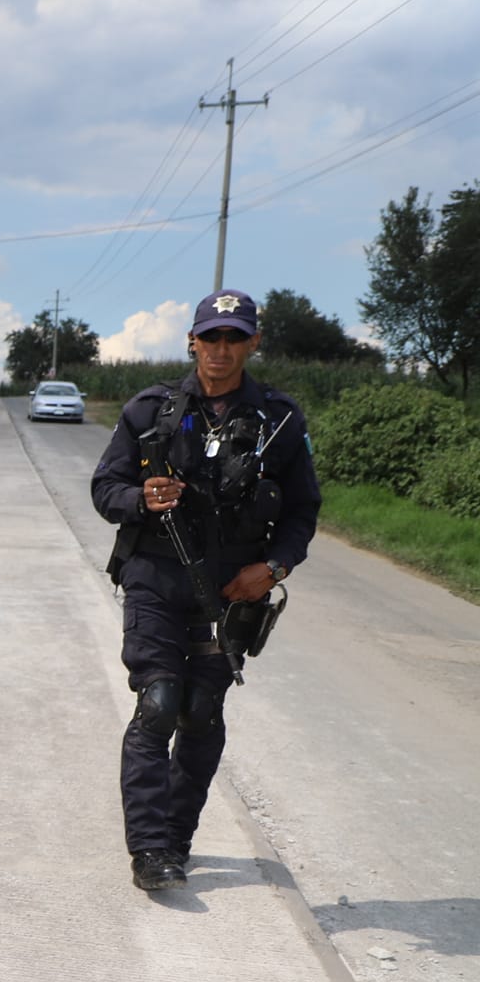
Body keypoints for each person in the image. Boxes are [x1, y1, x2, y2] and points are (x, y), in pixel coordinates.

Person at [91, 288, 320, 892]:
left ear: (253, 342)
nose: (222, 348)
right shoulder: (150, 409)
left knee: (200, 713)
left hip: (232, 591)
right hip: (155, 582)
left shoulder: (280, 420)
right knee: (160, 703)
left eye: (235, 337)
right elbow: (105, 488)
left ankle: (175, 840)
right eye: (211, 336)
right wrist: (141, 497)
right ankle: (148, 850)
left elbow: (302, 511)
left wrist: (272, 569)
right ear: (192, 340)